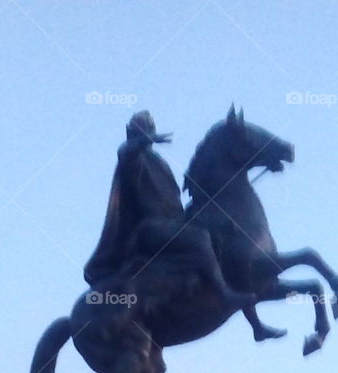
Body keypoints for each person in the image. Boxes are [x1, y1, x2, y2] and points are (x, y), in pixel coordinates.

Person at [84, 111, 249, 312]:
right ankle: (224, 293)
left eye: (148, 129)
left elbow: (171, 202)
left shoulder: (158, 162)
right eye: (141, 129)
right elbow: (126, 152)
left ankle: (251, 315)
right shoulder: (133, 158)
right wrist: (143, 141)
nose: (147, 133)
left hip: (172, 224)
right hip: (150, 229)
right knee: (199, 238)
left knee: (224, 230)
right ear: (132, 132)